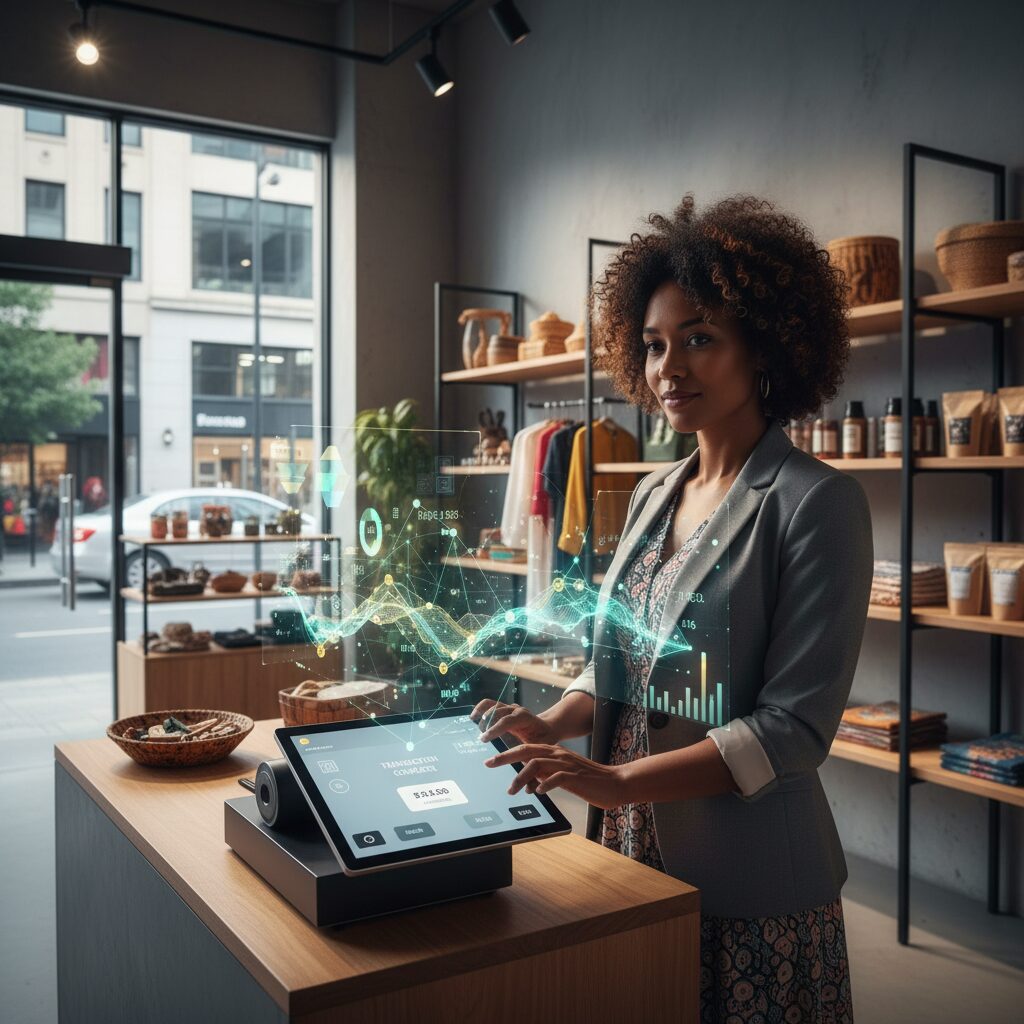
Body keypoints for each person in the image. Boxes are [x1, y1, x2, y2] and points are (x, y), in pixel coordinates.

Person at [474, 194, 872, 1023]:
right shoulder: (653, 491)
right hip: (628, 846)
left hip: (752, 878)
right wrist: (553, 724)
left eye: (699, 339)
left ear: (764, 346)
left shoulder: (816, 503)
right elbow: (623, 661)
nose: (668, 368)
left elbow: (793, 730)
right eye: (654, 345)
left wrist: (618, 781)